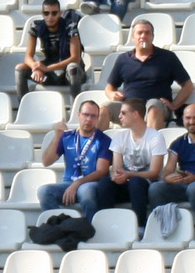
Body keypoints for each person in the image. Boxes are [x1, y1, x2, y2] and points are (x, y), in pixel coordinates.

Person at [105, 20, 193, 131]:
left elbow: (188, 85)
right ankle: (92, 146)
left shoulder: (168, 58)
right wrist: (112, 94)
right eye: (139, 33)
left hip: (158, 107)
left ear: (152, 36)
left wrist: (174, 105)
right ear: (133, 37)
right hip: (130, 107)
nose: (143, 36)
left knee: (153, 105)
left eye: (147, 33)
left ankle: (151, 147)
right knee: (104, 109)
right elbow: (109, 87)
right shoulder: (123, 59)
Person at [38, 99, 111, 219]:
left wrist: (77, 183)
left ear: (97, 119)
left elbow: (101, 171)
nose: (88, 119)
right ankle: (62, 226)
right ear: (78, 115)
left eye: (93, 116)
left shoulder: (103, 140)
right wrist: (58, 136)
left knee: (85, 191)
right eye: (85, 115)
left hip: (91, 184)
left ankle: (92, 228)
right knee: (44, 191)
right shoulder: (67, 137)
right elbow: (46, 161)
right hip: (68, 183)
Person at [100, 96, 165, 227]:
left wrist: (129, 175)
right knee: (104, 184)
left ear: (135, 114)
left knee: (136, 182)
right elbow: (117, 168)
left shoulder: (155, 137)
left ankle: (140, 226)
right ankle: (105, 225)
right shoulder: (120, 137)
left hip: (146, 186)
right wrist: (118, 176)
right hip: (126, 184)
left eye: (123, 113)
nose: (119, 116)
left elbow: (154, 173)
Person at [18, 0, 85, 96]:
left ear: (60, 13)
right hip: (49, 67)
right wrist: (36, 68)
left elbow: (75, 59)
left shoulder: (70, 26)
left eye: (54, 13)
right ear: (42, 14)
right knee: (20, 68)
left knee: (72, 68)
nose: (50, 17)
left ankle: (75, 108)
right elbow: (28, 57)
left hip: (69, 70)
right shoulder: (36, 26)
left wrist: (47, 68)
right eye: (46, 13)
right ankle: (22, 106)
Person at [150, 102, 195, 210]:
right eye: (188, 118)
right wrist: (168, 177)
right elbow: (168, 170)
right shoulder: (178, 143)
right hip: (184, 184)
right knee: (155, 188)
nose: (191, 122)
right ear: (183, 119)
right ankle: (161, 224)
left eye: (194, 118)